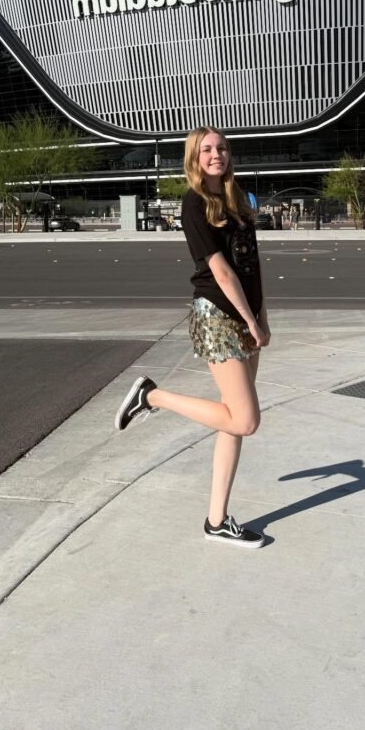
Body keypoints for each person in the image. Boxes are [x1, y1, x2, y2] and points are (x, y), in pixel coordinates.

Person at [115, 125, 271, 549]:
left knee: (232, 420)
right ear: (195, 158)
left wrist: (262, 315)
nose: (216, 154)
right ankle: (152, 397)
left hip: (245, 314)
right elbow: (220, 271)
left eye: (221, 148)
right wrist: (249, 320)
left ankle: (216, 520)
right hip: (219, 316)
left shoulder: (237, 200)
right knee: (245, 419)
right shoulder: (194, 203)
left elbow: (252, 267)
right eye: (207, 150)